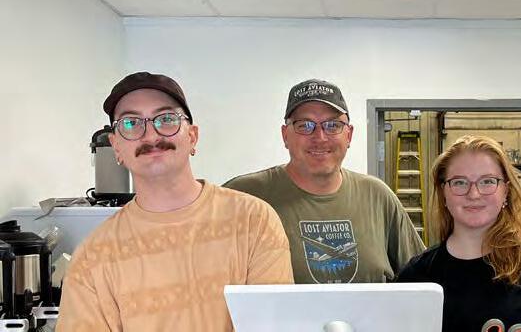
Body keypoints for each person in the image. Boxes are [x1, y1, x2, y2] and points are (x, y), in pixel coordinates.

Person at [57, 72, 293, 332]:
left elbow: (274, 325)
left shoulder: (253, 221)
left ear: (192, 136)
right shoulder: (92, 257)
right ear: (116, 147)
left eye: (166, 119)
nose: (150, 135)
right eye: (131, 123)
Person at [224, 78, 424, 283]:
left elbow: (424, 278)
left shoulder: (378, 196)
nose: (319, 137)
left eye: (333, 125)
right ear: (285, 135)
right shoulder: (242, 197)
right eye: (305, 125)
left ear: (349, 135)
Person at [398, 135, 521, 332]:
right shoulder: (416, 276)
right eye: (460, 182)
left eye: (487, 181)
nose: (474, 194)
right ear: (443, 192)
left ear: (506, 191)